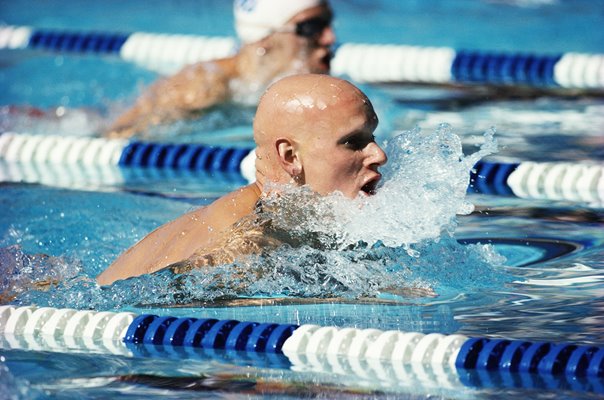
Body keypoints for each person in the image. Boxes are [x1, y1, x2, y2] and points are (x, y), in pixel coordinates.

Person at [96, 74, 388, 286]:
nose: (379, 154)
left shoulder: (283, 217)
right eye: (353, 142)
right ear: (290, 156)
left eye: (372, 137)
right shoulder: (248, 243)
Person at [106, 0, 336, 138]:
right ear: (264, 36)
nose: (330, 38)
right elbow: (118, 134)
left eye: (328, 23)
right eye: (312, 27)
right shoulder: (203, 87)